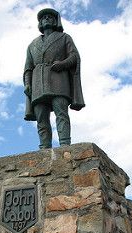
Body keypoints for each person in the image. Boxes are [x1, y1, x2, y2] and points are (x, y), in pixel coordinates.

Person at [23, 8, 85, 149]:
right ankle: (45, 147)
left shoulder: (64, 38)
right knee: (41, 118)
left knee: (61, 113)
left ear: (56, 20)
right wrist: (27, 84)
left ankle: (65, 145)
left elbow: (74, 57)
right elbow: (28, 68)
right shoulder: (32, 45)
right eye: (43, 17)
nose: (46, 19)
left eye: (50, 17)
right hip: (38, 84)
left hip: (59, 81)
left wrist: (63, 64)